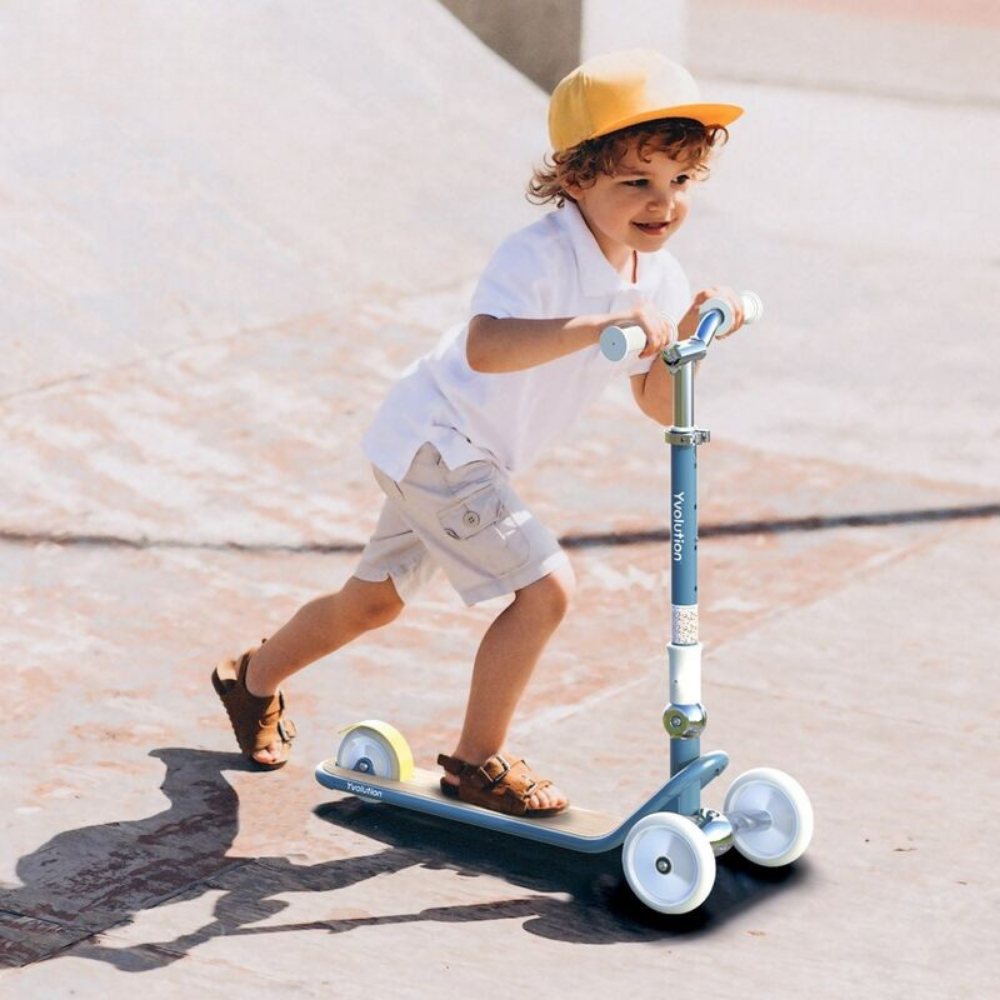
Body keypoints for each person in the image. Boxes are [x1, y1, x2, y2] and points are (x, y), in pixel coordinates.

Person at [212, 48, 747, 817]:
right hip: (438, 441)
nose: (662, 202)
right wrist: (600, 324)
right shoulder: (538, 253)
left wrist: (690, 337)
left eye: (680, 181)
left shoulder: (657, 278)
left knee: (372, 604)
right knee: (544, 590)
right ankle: (476, 761)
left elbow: (658, 404)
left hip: (460, 452)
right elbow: (486, 347)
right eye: (637, 180)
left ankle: (250, 676)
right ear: (576, 177)